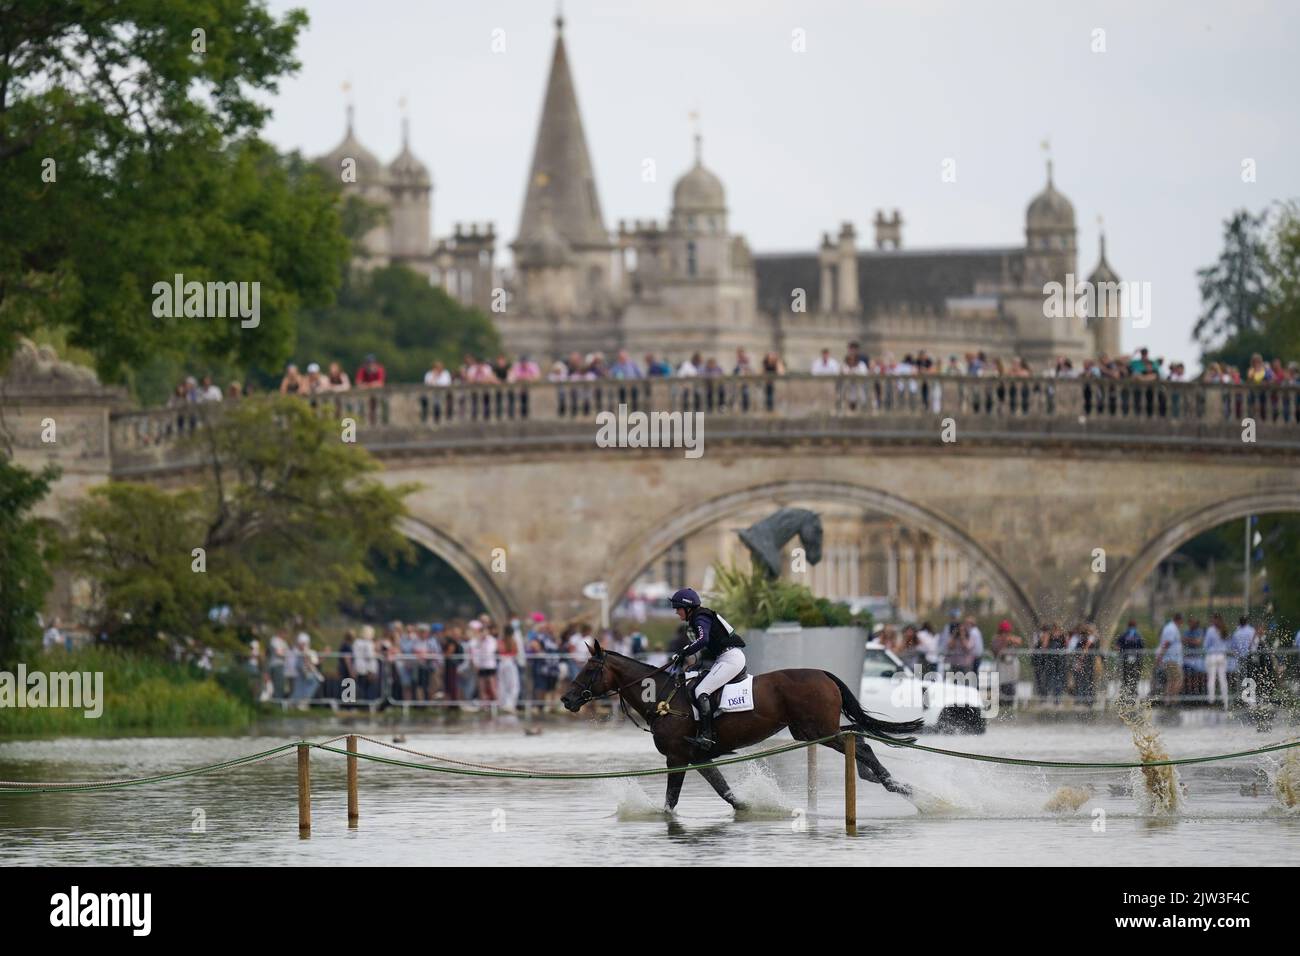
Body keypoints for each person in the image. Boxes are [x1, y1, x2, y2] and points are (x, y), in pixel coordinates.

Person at [666, 587, 746, 751]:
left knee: (701, 690)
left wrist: (684, 652)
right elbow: (705, 645)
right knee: (696, 683)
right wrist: (686, 656)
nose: (676, 613)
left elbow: (703, 640)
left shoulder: (700, 616)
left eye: (678, 608)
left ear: (687, 608)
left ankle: (707, 737)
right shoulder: (699, 617)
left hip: (730, 658)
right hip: (724, 657)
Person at [1155, 613, 1184, 705]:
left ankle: (1168, 700)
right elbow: (1167, 643)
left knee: (1172, 680)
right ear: (1179, 620)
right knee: (1178, 679)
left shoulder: (1171, 628)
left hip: (1172, 658)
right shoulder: (1171, 628)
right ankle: (1172, 700)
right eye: (1182, 621)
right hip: (1171, 659)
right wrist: (1160, 656)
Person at [992, 620, 1022, 708]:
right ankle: (1001, 707)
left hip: (1012, 669)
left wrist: (1010, 640)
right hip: (1001, 668)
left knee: (1011, 688)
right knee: (1002, 689)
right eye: (1004, 632)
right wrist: (1004, 641)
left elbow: (1019, 641)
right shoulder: (996, 639)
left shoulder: (1012, 638)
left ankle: (1010, 707)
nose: (1006, 634)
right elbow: (997, 651)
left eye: (1007, 632)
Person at [1114, 619, 1144, 703]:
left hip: (1126, 659)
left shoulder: (1124, 635)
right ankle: (1132, 693)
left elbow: (1117, 646)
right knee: (1134, 676)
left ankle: (1126, 694)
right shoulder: (1137, 635)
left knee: (1126, 677)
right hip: (1135, 660)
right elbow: (1142, 647)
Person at [1204, 614, 1229, 708]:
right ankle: (1225, 701)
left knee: (1211, 679)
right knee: (1223, 679)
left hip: (1212, 655)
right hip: (1222, 655)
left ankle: (1211, 700)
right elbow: (1227, 643)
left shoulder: (1210, 630)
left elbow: (1206, 644)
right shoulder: (1224, 629)